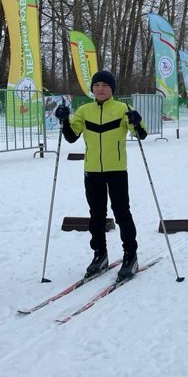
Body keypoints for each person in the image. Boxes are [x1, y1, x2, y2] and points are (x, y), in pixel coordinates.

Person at [54, 70, 148, 282]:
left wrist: (137, 120)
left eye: (105, 85)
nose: (101, 89)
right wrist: (64, 120)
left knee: (122, 213)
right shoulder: (85, 110)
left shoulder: (123, 108)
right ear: (93, 89)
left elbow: (141, 133)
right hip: (92, 171)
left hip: (116, 170)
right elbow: (70, 137)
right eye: (97, 85)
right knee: (96, 215)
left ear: (112, 89)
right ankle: (100, 255)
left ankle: (130, 256)